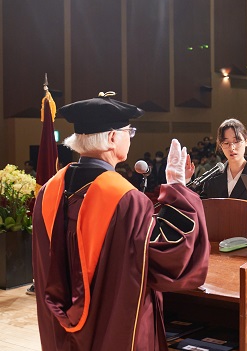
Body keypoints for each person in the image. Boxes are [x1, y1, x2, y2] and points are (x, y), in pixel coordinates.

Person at [32, 93, 210, 350]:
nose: (131, 136)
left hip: (61, 335)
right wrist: (178, 189)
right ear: (113, 137)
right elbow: (171, 259)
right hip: (110, 332)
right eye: (130, 131)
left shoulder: (48, 192)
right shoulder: (125, 200)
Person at [200, 118, 247, 200]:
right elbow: (201, 206)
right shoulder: (212, 177)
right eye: (226, 143)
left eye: (236, 142)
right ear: (220, 145)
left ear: (246, 141)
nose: (232, 148)